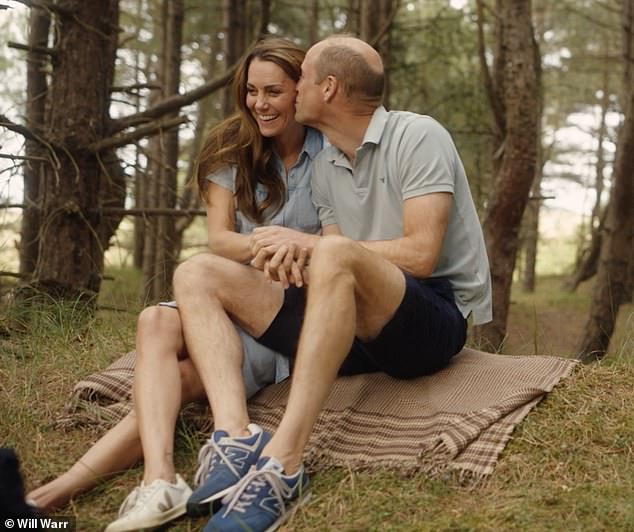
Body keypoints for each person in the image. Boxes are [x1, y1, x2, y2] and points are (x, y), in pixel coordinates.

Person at [173, 35, 492, 532]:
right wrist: (288, 255)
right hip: (349, 326)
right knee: (197, 270)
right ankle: (234, 436)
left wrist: (314, 247)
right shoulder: (325, 166)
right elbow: (328, 267)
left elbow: (420, 255)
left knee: (335, 251)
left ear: (329, 87)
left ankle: (284, 464)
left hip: (427, 319)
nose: (292, 88)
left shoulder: (419, 136)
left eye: (300, 80)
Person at [27, 36, 324, 532]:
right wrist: (277, 246)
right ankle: (160, 478)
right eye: (252, 91)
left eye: (273, 91)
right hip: (224, 292)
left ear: (301, 89)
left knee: (182, 383)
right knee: (156, 319)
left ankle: (60, 491)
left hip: (284, 309)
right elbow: (221, 241)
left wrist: (299, 249)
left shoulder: (328, 149)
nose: (260, 103)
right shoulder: (232, 145)